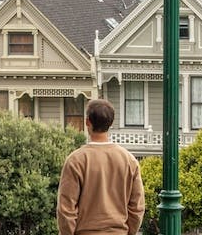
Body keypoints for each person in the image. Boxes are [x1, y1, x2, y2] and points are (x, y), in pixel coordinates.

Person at [57, 98, 145, 235]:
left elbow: (66, 209)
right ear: (111, 123)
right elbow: (137, 208)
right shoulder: (129, 161)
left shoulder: (75, 160)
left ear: (87, 122)